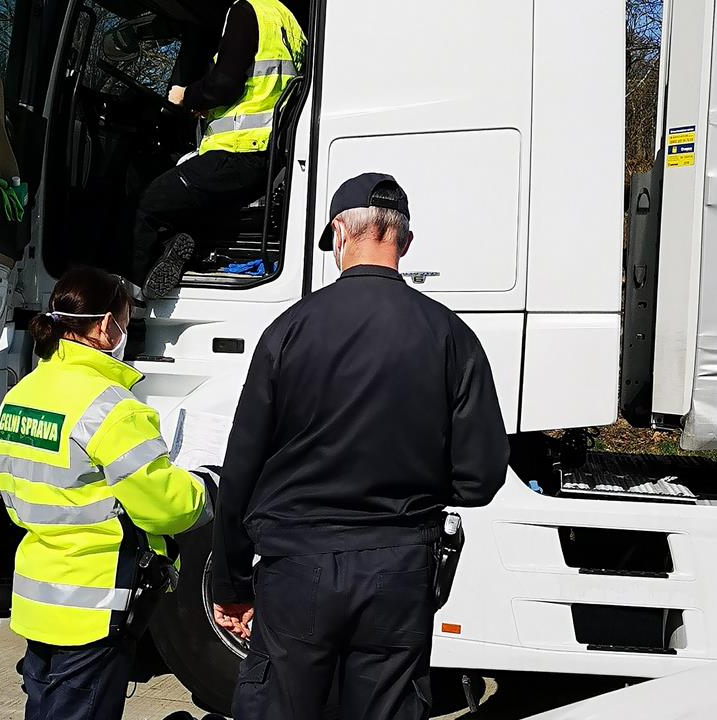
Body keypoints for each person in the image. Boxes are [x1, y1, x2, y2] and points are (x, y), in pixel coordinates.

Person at [211, 174, 510, 719]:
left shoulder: (289, 330)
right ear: (406, 242)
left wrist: (232, 581)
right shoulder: (451, 336)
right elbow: (481, 476)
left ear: (339, 233)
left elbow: (241, 467)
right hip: (400, 565)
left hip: (296, 563)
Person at [0, 267, 213, 720]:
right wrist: (206, 486)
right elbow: (166, 507)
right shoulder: (111, 407)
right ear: (105, 327)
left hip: (39, 598)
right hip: (94, 604)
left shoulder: (21, 394)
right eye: (128, 322)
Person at [132, 0, 306, 300]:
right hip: (267, 155)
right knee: (191, 201)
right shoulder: (290, 24)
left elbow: (224, 83)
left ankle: (134, 302)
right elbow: (262, 89)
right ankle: (183, 253)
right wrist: (207, 104)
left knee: (151, 203)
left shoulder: (246, 10)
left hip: (237, 150)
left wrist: (187, 96)